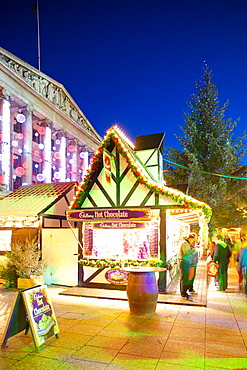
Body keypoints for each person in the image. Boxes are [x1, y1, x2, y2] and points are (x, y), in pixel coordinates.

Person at [178, 233, 197, 301]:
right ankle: (183, 293)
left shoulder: (186, 243)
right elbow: (186, 252)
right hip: (184, 262)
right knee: (184, 277)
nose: (193, 241)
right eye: (193, 240)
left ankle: (184, 292)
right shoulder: (184, 243)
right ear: (190, 238)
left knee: (185, 277)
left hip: (186, 262)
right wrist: (193, 250)